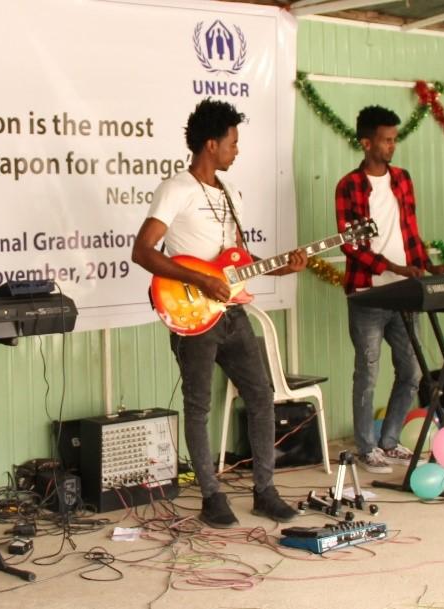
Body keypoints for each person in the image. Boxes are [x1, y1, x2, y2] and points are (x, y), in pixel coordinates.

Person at [131, 98, 303, 528]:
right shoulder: (177, 188)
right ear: (211, 144)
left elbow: (235, 262)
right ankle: (212, 496)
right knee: (199, 405)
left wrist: (282, 264)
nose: (237, 150)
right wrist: (202, 281)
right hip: (192, 313)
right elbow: (143, 251)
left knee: (262, 393)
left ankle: (265, 491)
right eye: (232, 142)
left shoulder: (230, 194)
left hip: (230, 313)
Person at [335, 105, 444, 475]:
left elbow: (411, 232)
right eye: (385, 140)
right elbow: (350, 245)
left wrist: (429, 266)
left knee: (411, 371)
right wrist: (393, 268)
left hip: (405, 292)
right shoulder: (349, 185)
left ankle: (390, 439)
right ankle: (366, 447)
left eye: (394, 139)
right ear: (366, 142)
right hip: (368, 294)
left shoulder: (402, 178)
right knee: (367, 373)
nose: (391, 147)